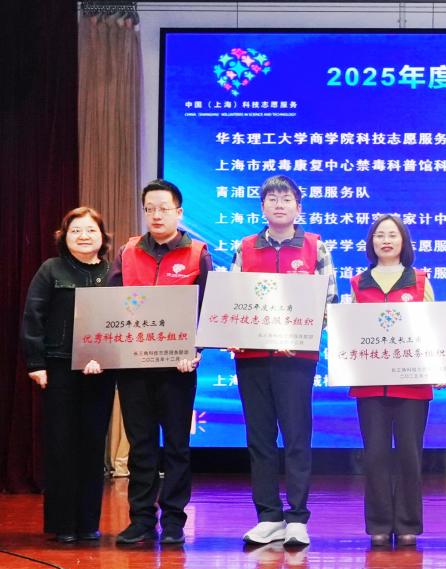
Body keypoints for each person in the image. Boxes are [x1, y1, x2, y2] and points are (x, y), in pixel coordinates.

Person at [232, 175, 337, 549]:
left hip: (296, 359)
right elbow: (233, 300)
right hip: (252, 357)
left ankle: (297, 518)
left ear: (298, 206)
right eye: (272, 198)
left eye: (286, 198)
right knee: (259, 438)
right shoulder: (245, 247)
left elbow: (329, 301)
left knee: (296, 436)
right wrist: (233, 332)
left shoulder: (315, 247)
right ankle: (268, 517)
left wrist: (303, 335)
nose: (279, 204)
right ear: (262, 207)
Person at [107, 179, 213, 546]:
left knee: (177, 447)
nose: (156, 215)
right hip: (133, 367)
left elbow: (208, 309)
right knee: (141, 446)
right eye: (149, 208)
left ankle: (173, 522)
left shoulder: (197, 253)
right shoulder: (128, 252)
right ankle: (140, 519)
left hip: (177, 369)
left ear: (178, 212)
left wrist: (196, 350)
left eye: (163, 208)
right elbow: (109, 306)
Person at [21, 207, 114, 543]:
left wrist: (109, 357)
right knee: (61, 444)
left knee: (93, 444)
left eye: (91, 230)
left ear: (103, 237)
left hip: (101, 370)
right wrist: (36, 363)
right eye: (76, 231)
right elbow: (33, 317)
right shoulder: (51, 269)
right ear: (64, 237)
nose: (84, 236)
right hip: (59, 367)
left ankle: (88, 523)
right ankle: (62, 525)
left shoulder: (113, 271)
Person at [348, 215, 437, 547]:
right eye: (380, 235)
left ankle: (409, 523)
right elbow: (351, 332)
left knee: (410, 455)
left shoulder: (420, 281)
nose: (386, 240)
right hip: (370, 383)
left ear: (404, 242)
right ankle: (380, 524)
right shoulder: (358, 283)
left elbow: (433, 330)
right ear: (371, 243)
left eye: (392, 235)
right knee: (375, 454)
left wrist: (438, 368)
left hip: (412, 384)